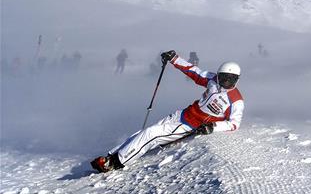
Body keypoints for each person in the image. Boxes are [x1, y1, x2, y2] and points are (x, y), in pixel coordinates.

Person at [91, 50, 244, 173]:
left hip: (191, 125)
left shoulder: (235, 100)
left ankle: (115, 163)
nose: (225, 82)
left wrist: (213, 127)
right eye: (223, 77)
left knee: (152, 134)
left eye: (230, 79)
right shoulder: (213, 80)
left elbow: (234, 124)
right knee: (143, 132)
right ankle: (111, 155)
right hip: (183, 114)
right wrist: (174, 59)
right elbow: (193, 71)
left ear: (237, 79)